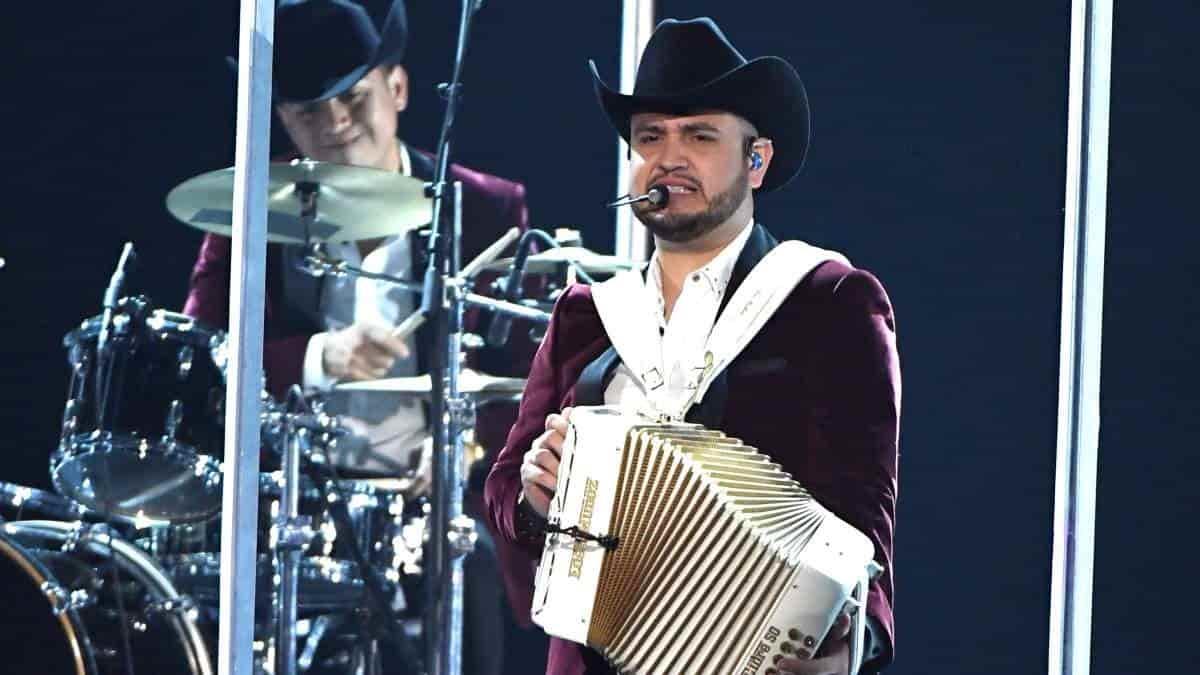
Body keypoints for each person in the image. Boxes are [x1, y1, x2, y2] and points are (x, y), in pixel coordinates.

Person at [485, 17, 900, 675]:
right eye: (650, 136)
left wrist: (852, 650)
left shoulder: (829, 300)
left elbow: (863, 519)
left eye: (700, 135)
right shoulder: (586, 314)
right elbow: (505, 487)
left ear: (756, 161)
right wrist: (534, 498)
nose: (669, 157)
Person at [182, 0, 544, 672]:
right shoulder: (249, 207)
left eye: (353, 97)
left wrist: (464, 448)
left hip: (439, 507)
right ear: (282, 118)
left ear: (397, 88)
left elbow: (531, 376)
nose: (336, 122)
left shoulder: (485, 207)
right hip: (295, 506)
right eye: (308, 110)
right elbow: (200, 353)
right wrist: (318, 356)